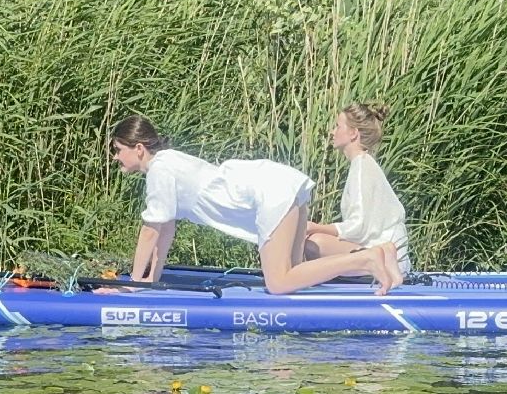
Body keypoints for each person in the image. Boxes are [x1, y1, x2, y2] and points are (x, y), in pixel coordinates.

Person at [108, 115, 385, 295]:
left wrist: (129, 285)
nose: (116, 158)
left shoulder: (159, 170)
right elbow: (164, 230)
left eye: (118, 150)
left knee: (278, 283)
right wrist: (149, 281)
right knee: (297, 270)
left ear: (139, 148)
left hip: (268, 191)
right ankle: (379, 255)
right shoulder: (170, 161)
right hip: (277, 182)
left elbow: (150, 231)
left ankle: (365, 258)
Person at [306, 103, 408, 295]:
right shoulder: (363, 165)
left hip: (384, 253)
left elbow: (358, 226)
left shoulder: (362, 168)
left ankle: (379, 261)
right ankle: (378, 258)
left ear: (353, 133)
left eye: (337, 126)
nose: (332, 131)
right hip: (384, 247)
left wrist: (316, 227)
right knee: (315, 241)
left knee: (314, 244)